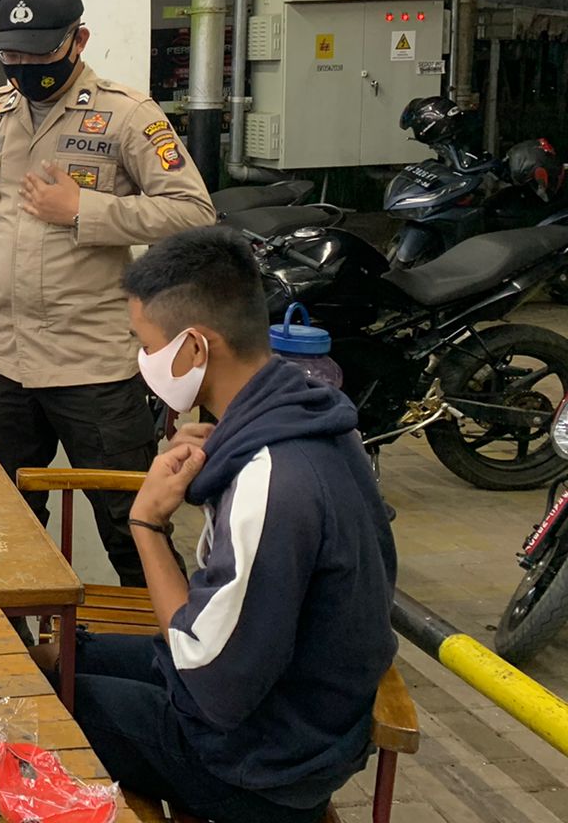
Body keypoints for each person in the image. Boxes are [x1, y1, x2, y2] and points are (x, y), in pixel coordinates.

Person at [67, 227, 395, 822]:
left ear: (196, 347)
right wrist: (222, 448)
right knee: (62, 654)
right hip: (286, 706)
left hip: (262, 766)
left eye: (146, 344)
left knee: (51, 696)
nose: (142, 361)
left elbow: (209, 679)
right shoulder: (304, 413)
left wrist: (146, 524)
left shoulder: (273, 481)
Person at [0, 0, 215, 584]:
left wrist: (85, 211)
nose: (24, 67)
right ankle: (16, 634)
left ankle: (163, 636)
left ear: (79, 40)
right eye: (13, 55)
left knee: (132, 525)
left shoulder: (127, 115)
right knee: (2, 522)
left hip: (95, 366)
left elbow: (193, 212)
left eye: (39, 53)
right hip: (8, 362)